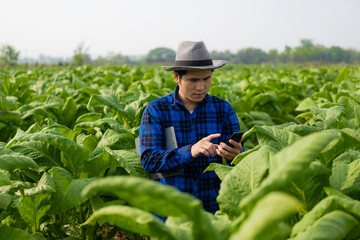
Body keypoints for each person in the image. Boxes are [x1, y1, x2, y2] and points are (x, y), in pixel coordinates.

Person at [139, 41, 243, 215]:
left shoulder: (223, 109)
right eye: (193, 80)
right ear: (177, 77)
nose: (201, 87)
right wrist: (191, 151)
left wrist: (237, 156)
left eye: (206, 79)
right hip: (172, 208)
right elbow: (149, 160)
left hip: (213, 207)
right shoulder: (157, 110)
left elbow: (238, 161)